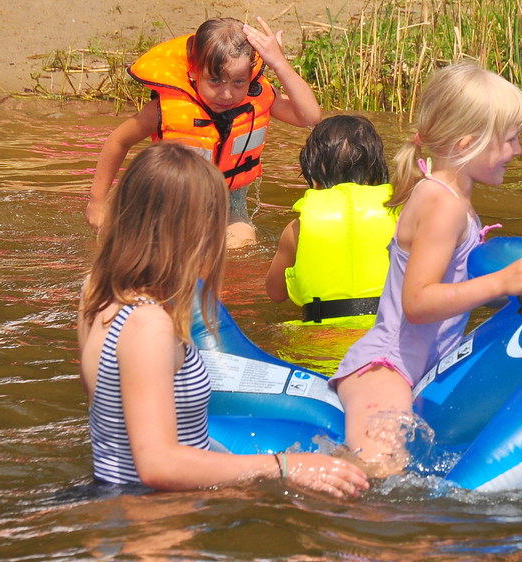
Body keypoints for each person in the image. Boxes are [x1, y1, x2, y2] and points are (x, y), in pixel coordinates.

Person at [77, 141, 369, 497]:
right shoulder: (149, 326)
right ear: (195, 230)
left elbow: (121, 434)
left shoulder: (98, 291)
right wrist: (283, 466)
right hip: (151, 527)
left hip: (120, 504)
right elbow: (157, 465)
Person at [329, 62, 522, 477]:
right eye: (511, 139)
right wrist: (498, 281)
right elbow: (417, 302)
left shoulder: (457, 201)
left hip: (425, 369)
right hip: (386, 368)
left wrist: (505, 291)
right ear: (469, 143)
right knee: (384, 472)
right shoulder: (443, 203)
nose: (518, 151)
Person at [85, 16, 322, 248]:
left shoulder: (257, 97)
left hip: (230, 207)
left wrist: (279, 63)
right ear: (194, 71)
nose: (227, 94)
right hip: (168, 208)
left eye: (239, 82)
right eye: (215, 81)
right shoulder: (165, 109)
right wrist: (97, 204)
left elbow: (309, 117)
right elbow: (117, 141)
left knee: (242, 246)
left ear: (250, 76)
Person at [265, 115, 396, 326]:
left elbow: (275, 293)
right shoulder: (401, 218)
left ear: (314, 177)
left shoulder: (296, 229)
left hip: (320, 342)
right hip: (387, 336)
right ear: (377, 174)